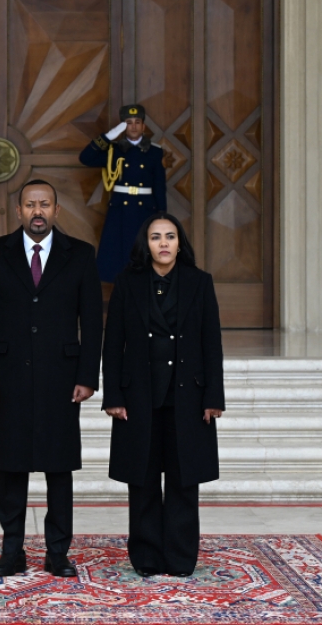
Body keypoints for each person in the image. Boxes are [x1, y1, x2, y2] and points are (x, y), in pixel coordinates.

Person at [0, 179, 103, 578]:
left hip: (61, 377)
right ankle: (11, 551)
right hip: (8, 376)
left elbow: (92, 321)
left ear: (56, 210)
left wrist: (88, 375)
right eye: (30, 205)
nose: (38, 211)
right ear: (19, 211)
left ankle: (57, 552)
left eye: (45, 204)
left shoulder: (80, 254)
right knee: (11, 467)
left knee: (59, 469)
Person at [101, 212, 224, 578]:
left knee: (185, 482)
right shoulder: (127, 283)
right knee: (143, 481)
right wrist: (113, 395)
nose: (164, 243)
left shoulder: (200, 282)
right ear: (147, 244)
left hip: (189, 398)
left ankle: (181, 557)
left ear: (180, 243)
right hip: (139, 398)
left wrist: (213, 397)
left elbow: (211, 343)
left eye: (170, 236)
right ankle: (147, 556)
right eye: (156, 237)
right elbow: (113, 343)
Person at [79, 104, 167, 283]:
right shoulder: (114, 150)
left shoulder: (154, 152)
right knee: (117, 255)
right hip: (120, 209)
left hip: (145, 209)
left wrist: (162, 216)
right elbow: (85, 158)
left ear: (143, 126)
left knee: (144, 254)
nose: (133, 126)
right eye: (128, 122)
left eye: (137, 122)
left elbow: (159, 185)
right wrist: (107, 137)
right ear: (122, 127)